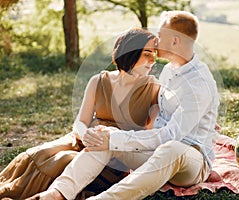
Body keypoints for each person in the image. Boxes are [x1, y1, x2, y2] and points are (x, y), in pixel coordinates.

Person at [28, 10, 220, 200]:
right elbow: (161, 116)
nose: (156, 40)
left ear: (175, 40)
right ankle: (57, 194)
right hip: (155, 152)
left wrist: (119, 137)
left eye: (161, 36)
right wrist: (111, 136)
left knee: (170, 148)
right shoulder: (169, 71)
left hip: (190, 160)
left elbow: (171, 135)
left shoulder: (198, 84)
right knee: (105, 138)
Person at [0, 27, 159, 199]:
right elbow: (80, 122)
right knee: (41, 154)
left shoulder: (154, 89)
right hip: (84, 137)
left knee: (65, 160)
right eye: (147, 53)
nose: (153, 61)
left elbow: (148, 137)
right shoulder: (98, 81)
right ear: (130, 52)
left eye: (155, 54)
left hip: (114, 149)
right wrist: (86, 137)